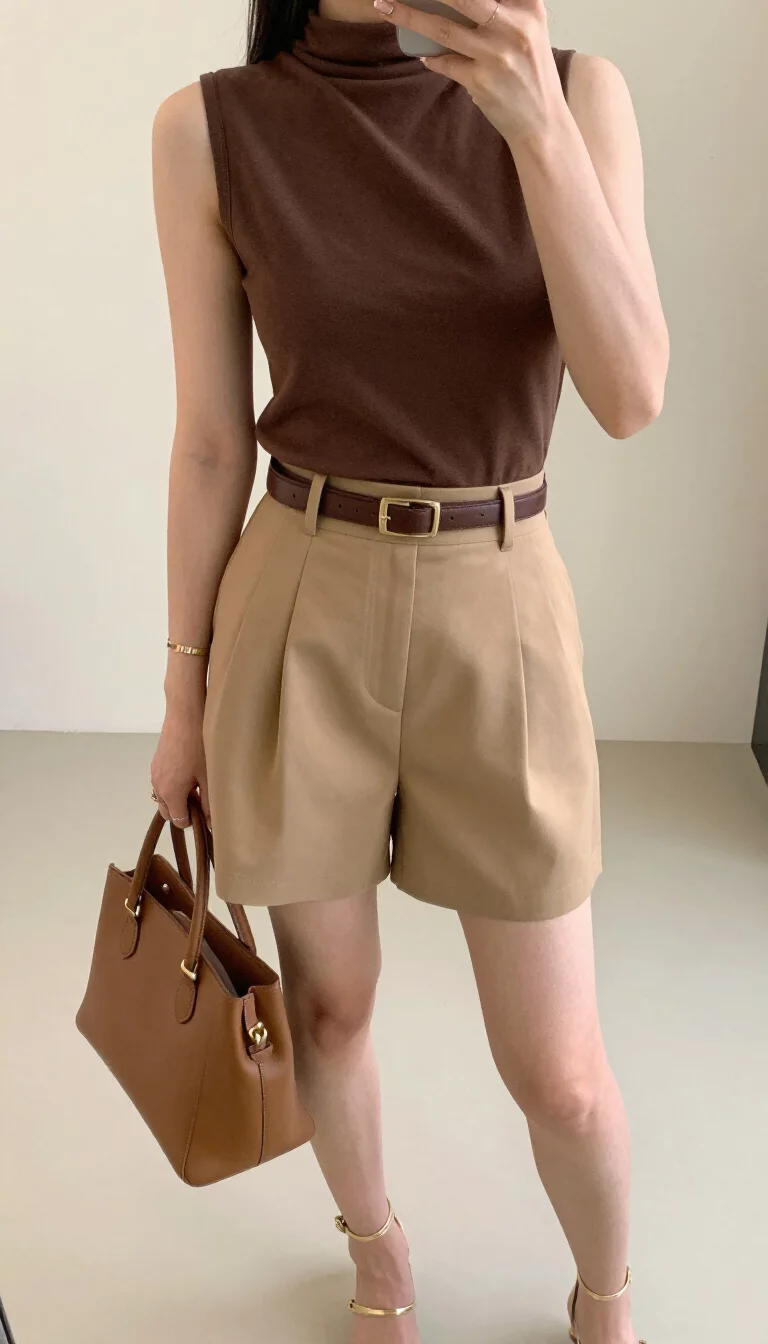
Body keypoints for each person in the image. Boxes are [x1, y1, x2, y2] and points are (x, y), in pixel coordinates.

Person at [149, 0, 668, 1339]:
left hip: (499, 590)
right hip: (297, 589)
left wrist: (537, 127)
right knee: (327, 1007)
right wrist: (180, 694)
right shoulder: (213, 127)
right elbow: (212, 441)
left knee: (558, 1070)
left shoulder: (578, 92)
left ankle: (604, 1297)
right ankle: (376, 1255)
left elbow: (630, 394)